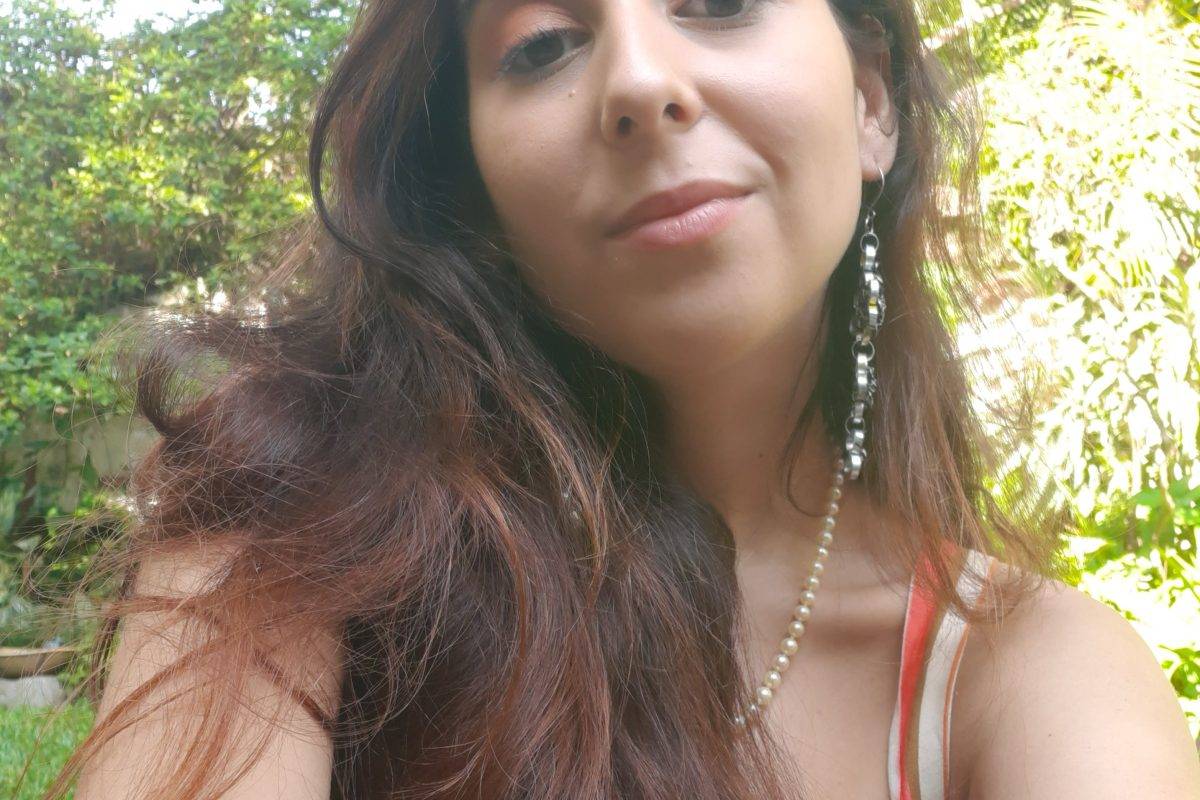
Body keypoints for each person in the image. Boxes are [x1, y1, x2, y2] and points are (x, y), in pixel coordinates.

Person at [44, 0, 1199, 798]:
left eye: (720, 1)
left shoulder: (1037, 678)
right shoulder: (293, 528)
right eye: (544, 45)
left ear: (871, 103)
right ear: (472, 184)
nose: (642, 82)